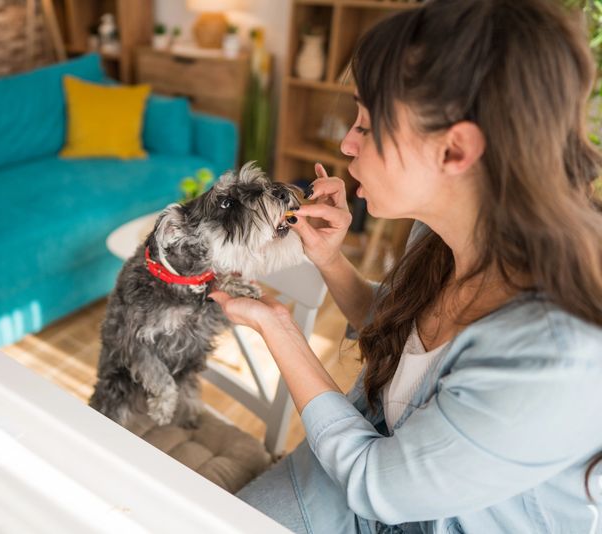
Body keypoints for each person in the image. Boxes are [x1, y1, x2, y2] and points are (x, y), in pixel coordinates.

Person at [208, 0, 602, 532]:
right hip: (362, 448)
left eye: (367, 126)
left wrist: (279, 329)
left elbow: (379, 485)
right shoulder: (441, 232)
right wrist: (329, 259)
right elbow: (408, 340)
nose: (347, 143)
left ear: (455, 150)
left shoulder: (555, 356)